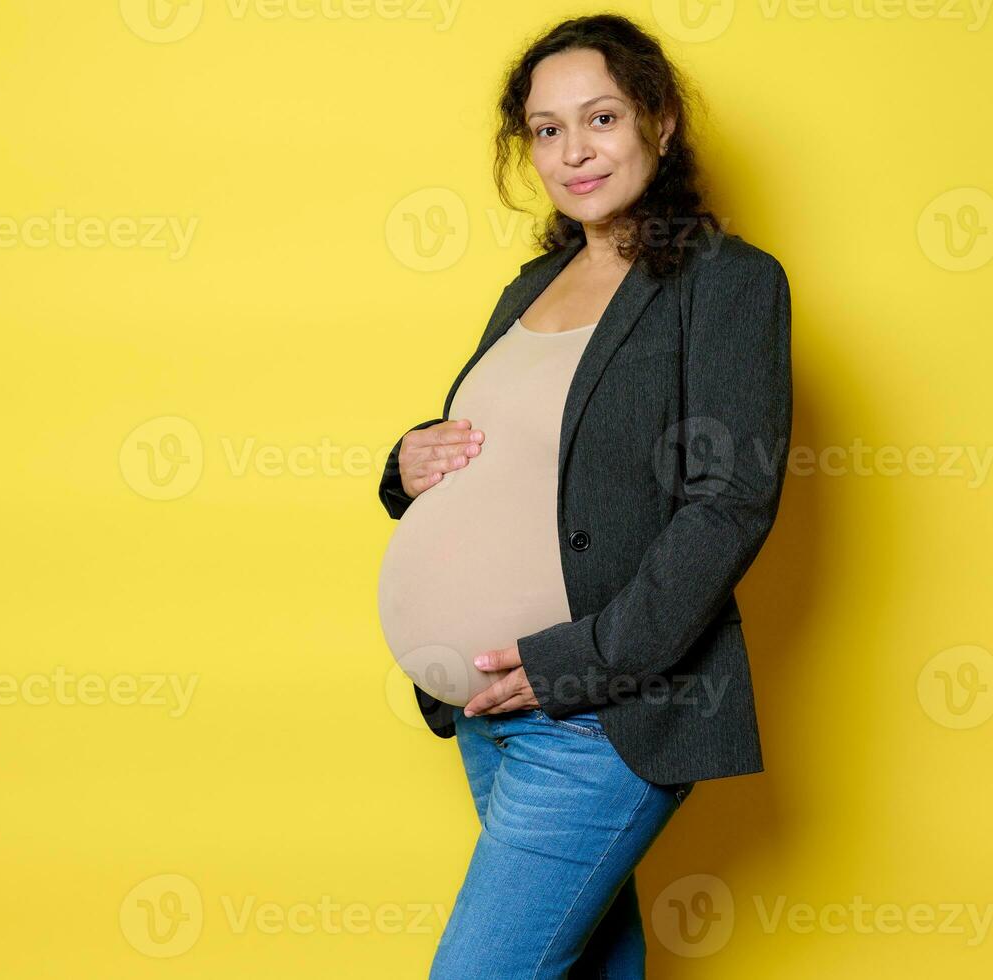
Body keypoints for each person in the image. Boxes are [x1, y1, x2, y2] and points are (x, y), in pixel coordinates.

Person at [377, 14, 792, 978]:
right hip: (488, 712)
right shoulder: (530, 286)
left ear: (659, 119)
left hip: (603, 712)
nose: (574, 151)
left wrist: (582, 662)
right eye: (546, 128)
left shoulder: (726, 283)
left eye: (599, 117)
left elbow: (728, 502)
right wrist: (404, 465)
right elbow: (507, 458)